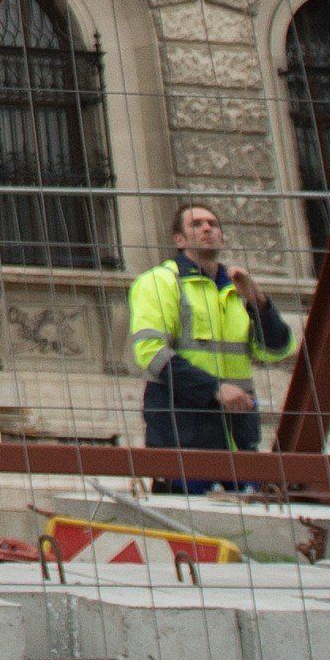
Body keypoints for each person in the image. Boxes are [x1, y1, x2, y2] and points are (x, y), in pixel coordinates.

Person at [129, 201, 294, 493]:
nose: (207, 228)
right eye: (196, 224)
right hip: (182, 434)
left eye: (212, 224)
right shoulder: (159, 282)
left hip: (238, 437)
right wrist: (215, 389)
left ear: (223, 237)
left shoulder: (235, 288)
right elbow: (151, 353)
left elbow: (276, 349)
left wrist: (260, 303)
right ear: (178, 240)